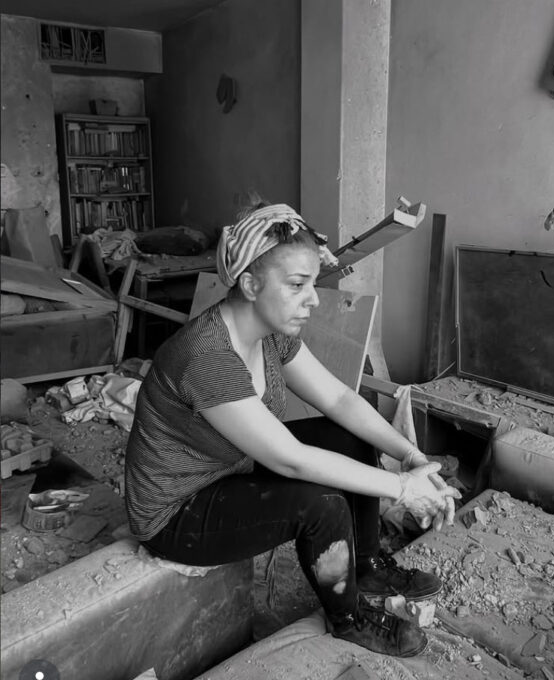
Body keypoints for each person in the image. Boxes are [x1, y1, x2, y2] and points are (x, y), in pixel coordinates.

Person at [124, 202, 460, 658]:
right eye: (298, 285)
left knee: (352, 437)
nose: (315, 299)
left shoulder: (271, 333)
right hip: (177, 511)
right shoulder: (206, 356)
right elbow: (290, 458)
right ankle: (349, 618)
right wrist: (401, 488)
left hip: (230, 468)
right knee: (319, 503)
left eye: (312, 283)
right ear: (249, 283)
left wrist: (410, 456)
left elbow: (339, 399)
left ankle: (366, 563)